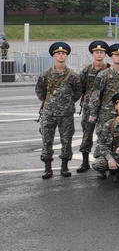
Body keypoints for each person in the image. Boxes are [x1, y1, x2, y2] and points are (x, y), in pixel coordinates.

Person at [36, 42, 83, 179]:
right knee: (47, 140)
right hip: (49, 113)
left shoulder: (73, 75)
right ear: (53, 56)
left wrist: (67, 102)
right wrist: (49, 102)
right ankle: (47, 168)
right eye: (58, 53)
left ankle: (64, 166)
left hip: (66, 114)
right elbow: (40, 90)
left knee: (66, 140)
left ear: (66, 56)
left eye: (63, 53)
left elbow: (77, 92)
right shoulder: (46, 74)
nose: (61, 55)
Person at [76, 40, 110, 174]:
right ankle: (85, 161)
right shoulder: (86, 70)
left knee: (103, 134)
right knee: (86, 133)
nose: (99, 55)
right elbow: (80, 88)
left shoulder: (109, 69)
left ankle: (103, 161)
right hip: (89, 107)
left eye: (101, 52)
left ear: (105, 54)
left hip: (104, 107)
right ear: (92, 54)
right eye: (96, 52)